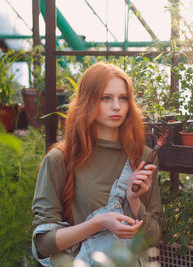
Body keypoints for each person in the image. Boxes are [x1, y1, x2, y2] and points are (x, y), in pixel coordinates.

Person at [32, 62, 162, 266]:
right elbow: (43, 245)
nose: (117, 106)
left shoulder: (142, 158)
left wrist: (134, 201)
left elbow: (152, 239)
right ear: (88, 102)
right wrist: (98, 223)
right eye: (106, 98)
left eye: (124, 98)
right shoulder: (59, 159)